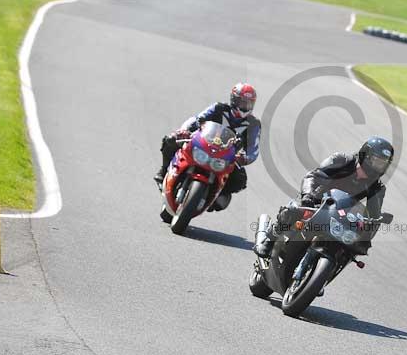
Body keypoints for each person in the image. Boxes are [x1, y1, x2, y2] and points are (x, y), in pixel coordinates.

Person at [254, 136, 393, 257]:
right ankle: (269, 240)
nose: (378, 167)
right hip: (316, 200)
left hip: (341, 214)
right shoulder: (342, 160)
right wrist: (308, 196)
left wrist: (366, 235)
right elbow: (313, 176)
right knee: (293, 210)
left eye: (382, 164)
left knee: (349, 249)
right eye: (376, 161)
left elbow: (373, 215)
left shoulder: (377, 187)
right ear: (365, 155)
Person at [154, 83, 261, 211]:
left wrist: (244, 158)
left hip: (226, 158)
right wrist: (184, 130)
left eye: (248, 104)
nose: (245, 106)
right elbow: (197, 118)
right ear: (234, 99)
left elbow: (254, 149)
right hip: (202, 145)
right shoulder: (218, 108)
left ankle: (216, 195)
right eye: (242, 102)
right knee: (171, 140)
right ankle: (164, 170)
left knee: (240, 179)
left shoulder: (254, 124)